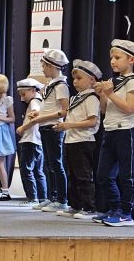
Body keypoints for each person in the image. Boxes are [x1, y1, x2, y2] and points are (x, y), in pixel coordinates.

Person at [52, 60, 101, 219]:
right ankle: (75, 205)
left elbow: (92, 121)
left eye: (79, 78)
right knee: (72, 175)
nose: (75, 82)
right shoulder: (75, 98)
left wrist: (69, 125)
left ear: (92, 80)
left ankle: (89, 208)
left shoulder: (91, 98)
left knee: (84, 176)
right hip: (71, 141)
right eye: (74, 78)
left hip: (84, 141)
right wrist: (63, 125)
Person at [93, 39, 134, 226]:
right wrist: (102, 95)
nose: (112, 61)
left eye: (117, 58)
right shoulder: (111, 82)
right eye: (111, 58)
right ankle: (115, 208)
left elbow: (129, 108)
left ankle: (126, 212)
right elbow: (104, 110)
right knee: (103, 175)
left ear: (131, 59)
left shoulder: (132, 81)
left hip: (126, 131)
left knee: (127, 176)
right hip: (109, 131)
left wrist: (109, 93)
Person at [26, 49, 70, 213]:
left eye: (44, 66)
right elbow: (50, 107)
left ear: (52, 66)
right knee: (49, 164)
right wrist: (39, 114)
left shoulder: (61, 86)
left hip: (54, 128)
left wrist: (42, 117)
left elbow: (65, 111)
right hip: (45, 126)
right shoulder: (51, 85)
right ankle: (52, 197)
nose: (43, 69)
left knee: (56, 164)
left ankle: (62, 200)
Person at [15, 78, 47, 207]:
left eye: (24, 94)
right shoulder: (40, 100)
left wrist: (23, 128)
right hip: (37, 140)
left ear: (33, 90)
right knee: (38, 171)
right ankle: (42, 198)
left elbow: (35, 117)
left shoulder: (34, 102)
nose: (22, 98)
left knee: (26, 169)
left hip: (30, 139)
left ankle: (32, 198)